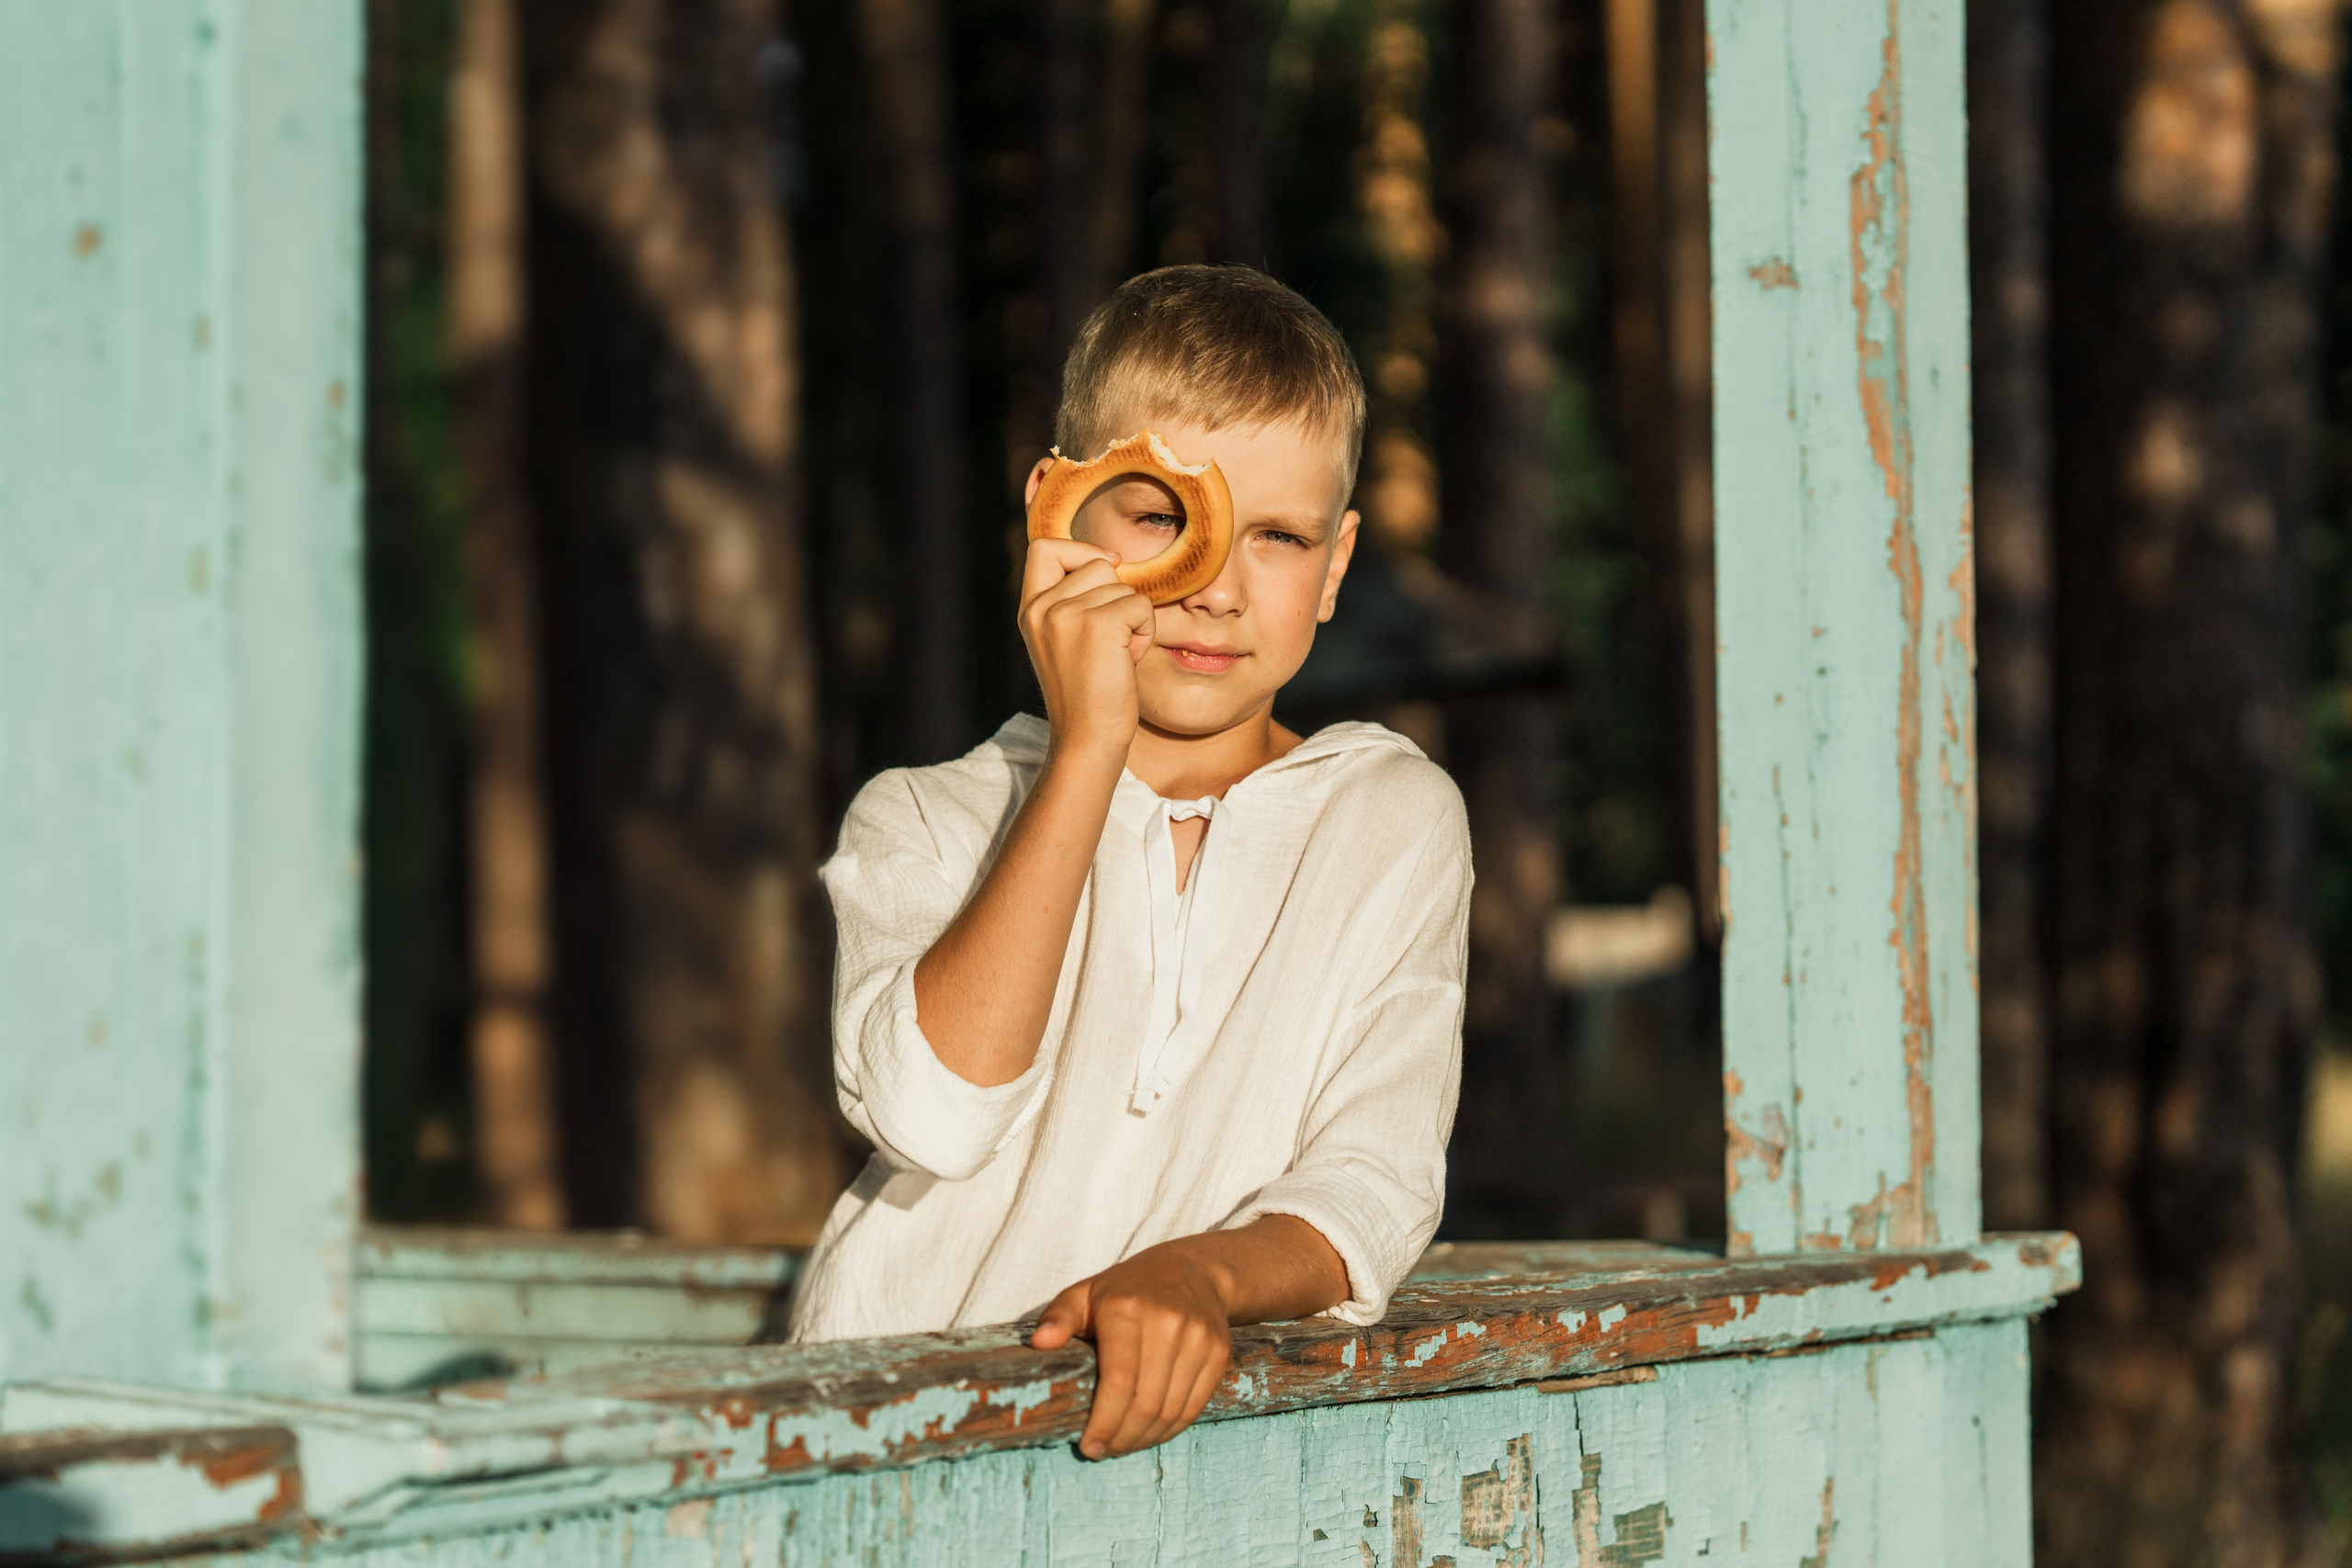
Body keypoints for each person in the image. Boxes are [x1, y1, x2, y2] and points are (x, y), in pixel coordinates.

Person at [787, 265, 1470, 1463]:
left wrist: (1198, 1274)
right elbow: (930, 1120)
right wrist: (1086, 753)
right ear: (1058, 512)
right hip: (874, 1452)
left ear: (1336, 566)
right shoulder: (927, 818)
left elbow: (1377, 1180)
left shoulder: (1390, 821)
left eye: (1280, 538)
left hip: (1167, 1481)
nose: (1216, 587)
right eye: (1163, 519)